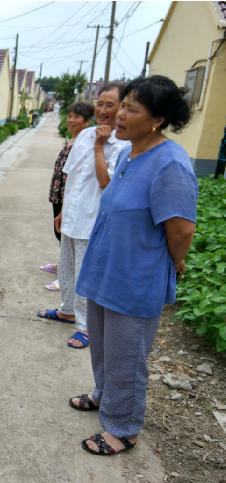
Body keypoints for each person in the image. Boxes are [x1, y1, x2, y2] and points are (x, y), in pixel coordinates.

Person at [70, 75, 196, 456]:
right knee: (102, 343)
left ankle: (123, 428)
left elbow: (181, 230)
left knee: (127, 353)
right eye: (121, 105)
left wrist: (174, 260)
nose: (120, 114)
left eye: (131, 109)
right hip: (106, 269)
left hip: (135, 276)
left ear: (157, 119)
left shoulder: (170, 163)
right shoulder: (129, 153)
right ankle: (104, 395)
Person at [37, 83, 130, 349]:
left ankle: (87, 326)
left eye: (110, 105)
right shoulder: (85, 135)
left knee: (85, 276)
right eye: (100, 103)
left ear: (122, 109)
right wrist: (63, 210)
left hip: (93, 221)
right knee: (66, 268)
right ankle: (67, 310)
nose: (102, 110)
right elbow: (72, 176)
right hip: (72, 215)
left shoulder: (124, 144)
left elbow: (106, 183)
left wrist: (100, 145)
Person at [40, 101, 94, 291]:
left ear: (87, 121)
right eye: (70, 116)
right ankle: (61, 266)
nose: (70, 120)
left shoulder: (85, 144)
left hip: (68, 196)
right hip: (59, 194)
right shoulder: (72, 140)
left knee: (67, 236)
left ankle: (66, 277)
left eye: (76, 117)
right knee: (60, 234)